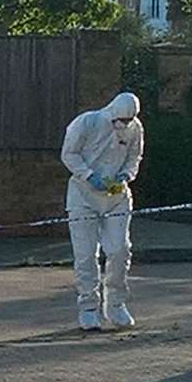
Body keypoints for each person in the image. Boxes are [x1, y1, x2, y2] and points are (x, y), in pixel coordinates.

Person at [60, 91, 144, 331]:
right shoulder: (87, 122)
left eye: (128, 121)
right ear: (111, 113)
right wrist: (88, 176)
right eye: (121, 121)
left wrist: (126, 175)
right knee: (86, 254)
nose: (124, 125)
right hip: (83, 196)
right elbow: (69, 153)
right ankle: (88, 308)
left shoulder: (135, 128)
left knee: (119, 250)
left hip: (116, 197)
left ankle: (116, 304)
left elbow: (134, 157)